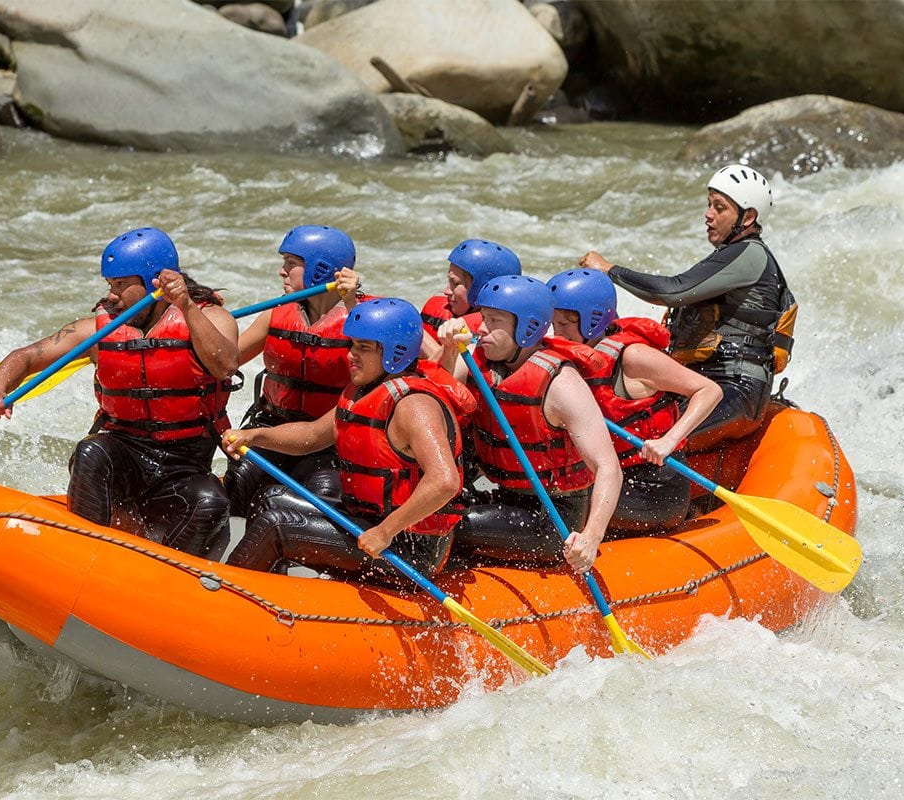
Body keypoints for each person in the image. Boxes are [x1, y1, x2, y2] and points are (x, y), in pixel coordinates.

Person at [0, 227, 239, 558]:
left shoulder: (210, 317)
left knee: (211, 502)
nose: (112, 296)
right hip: (123, 457)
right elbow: (25, 357)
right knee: (90, 452)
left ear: (155, 282)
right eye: (109, 285)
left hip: (184, 465)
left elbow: (225, 364)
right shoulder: (100, 330)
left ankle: (167, 588)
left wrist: (185, 305)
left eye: (120, 285)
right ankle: (79, 559)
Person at [221, 298, 476, 587]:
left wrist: (385, 532)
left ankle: (225, 596)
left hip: (410, 547)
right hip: (368, 521)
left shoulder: (413, 405)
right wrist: (255, 437)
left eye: (363, 348)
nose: (351, 355)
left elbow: (444, 481)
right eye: (352, 345)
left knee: (277, 526)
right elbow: (313, 435)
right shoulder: (364, 390)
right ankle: (265, 593)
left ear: (397, 352)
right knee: (271, 498)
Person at [579, 165, 795, 447]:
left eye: (720, 207)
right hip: (706, 382)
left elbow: (672, 291)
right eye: (709, 205)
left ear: (748, 216)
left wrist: (609, 270)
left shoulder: (750, 254)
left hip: (735, 389)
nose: (708, 214)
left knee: (641, 431)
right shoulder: (728, 255)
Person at [436, 275, 622, 573]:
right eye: (483, 317)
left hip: (550, 518)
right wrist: (447, 347)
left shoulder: (561, 384)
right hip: (500, 493)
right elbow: (440, 393)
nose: (481, 329)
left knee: (441, 527)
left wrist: (591, 537)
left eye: (494, 321)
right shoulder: (478, 358)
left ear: (528, 328)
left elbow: (608, 467)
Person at [547, 268, 723, 531]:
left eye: (564, 324)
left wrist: (669, 440)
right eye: (553, 323)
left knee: (570, 507)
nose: (557, 332)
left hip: (654, 489)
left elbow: (709, 391)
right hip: (606, 478)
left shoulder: (633, 357)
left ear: (592, 320)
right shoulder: (569, 357)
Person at [223, 225, 363, 517]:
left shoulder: (363, 319)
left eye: (290, 263)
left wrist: (352, 300)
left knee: (321, 495)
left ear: (320, 269)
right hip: (272, 430)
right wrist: (194, 312)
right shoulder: (278, 312)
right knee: (239, 479)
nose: (281, 271)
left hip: (330, 447)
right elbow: (224, 360)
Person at [418, 239, 521, 358]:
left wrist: (414, 332)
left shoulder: (492, 334)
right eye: (449, 281)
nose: (446, 291)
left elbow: (449, 371)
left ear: (481, 290)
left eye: (455, 283)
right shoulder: (441, 307)